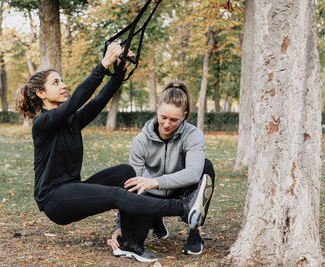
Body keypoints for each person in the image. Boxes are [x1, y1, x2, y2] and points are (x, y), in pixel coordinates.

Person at [14, 43, 213, 263]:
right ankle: (183, 208)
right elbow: (77, 99)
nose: (64, 85)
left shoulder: (70, 121)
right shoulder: (42, 123)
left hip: (71, 189)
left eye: (62, 80)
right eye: (56, 82)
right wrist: (103, 64)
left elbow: (98, 102)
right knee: (116, 196)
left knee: (125, 174)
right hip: (54, 199)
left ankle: (129, 241)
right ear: (41, 93)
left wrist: (118, 72)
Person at [107, 79, 215, 255]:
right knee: (133, 237)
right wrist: (121, 226)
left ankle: (195, 232)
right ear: (157, 109)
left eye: (174, 119)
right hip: (151, 197)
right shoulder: (141, 141)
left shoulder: (193, 135)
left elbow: (194, 174)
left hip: (182, 192)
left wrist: (155, 182)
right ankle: (155, 219)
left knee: (206, 167)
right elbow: (129, 184)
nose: (167, 124)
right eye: (163, 117)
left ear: (184, 115)